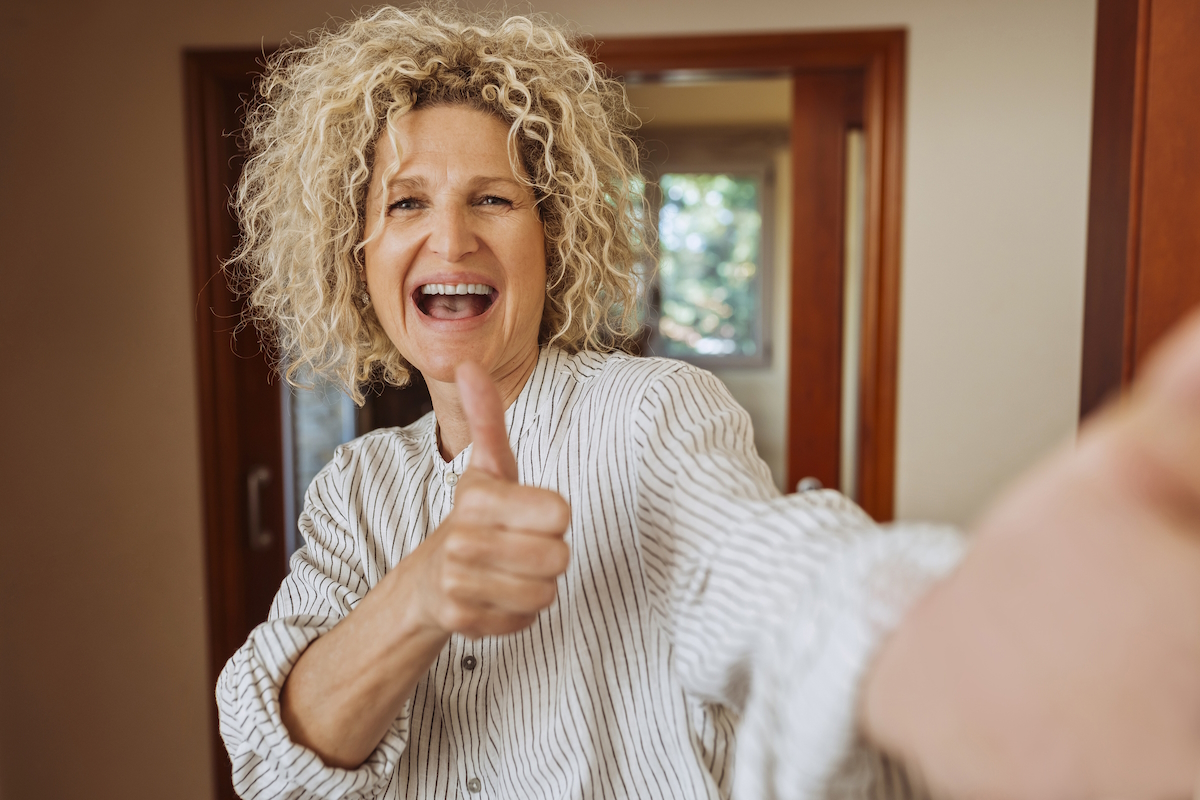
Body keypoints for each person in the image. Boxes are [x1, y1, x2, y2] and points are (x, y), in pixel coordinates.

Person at [217, 5, 1200, 799]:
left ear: (552, 239)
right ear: (355, 254)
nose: (452, 237)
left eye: (493, 198)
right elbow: (270, 758)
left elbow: (764, 565)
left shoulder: (652, 412)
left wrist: (948, 648)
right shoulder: (353, 490)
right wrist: (419, 592)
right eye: (405, 202)